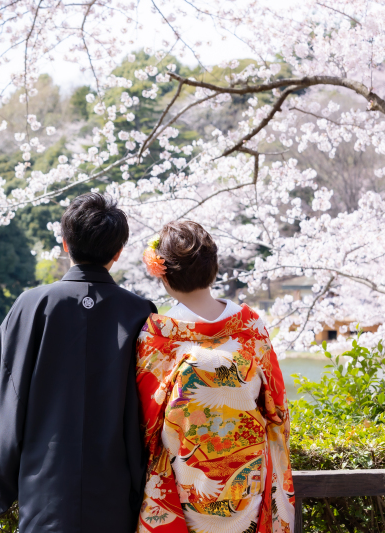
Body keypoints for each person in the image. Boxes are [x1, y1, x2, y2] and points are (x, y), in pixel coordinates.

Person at [0, 193, 157, 533]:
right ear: (118, 252)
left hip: (44, 486)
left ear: (65, 244)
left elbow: (5, 390)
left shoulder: (30, 305)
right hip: (116, 486)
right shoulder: (140, 312)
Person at [135, 221, 295, 533]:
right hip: (249, 484)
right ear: (215, 267)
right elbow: (277, 408)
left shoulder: (157, 336)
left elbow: (145, 421)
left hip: (184, 487)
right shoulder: (251, 327)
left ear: (162, 274)